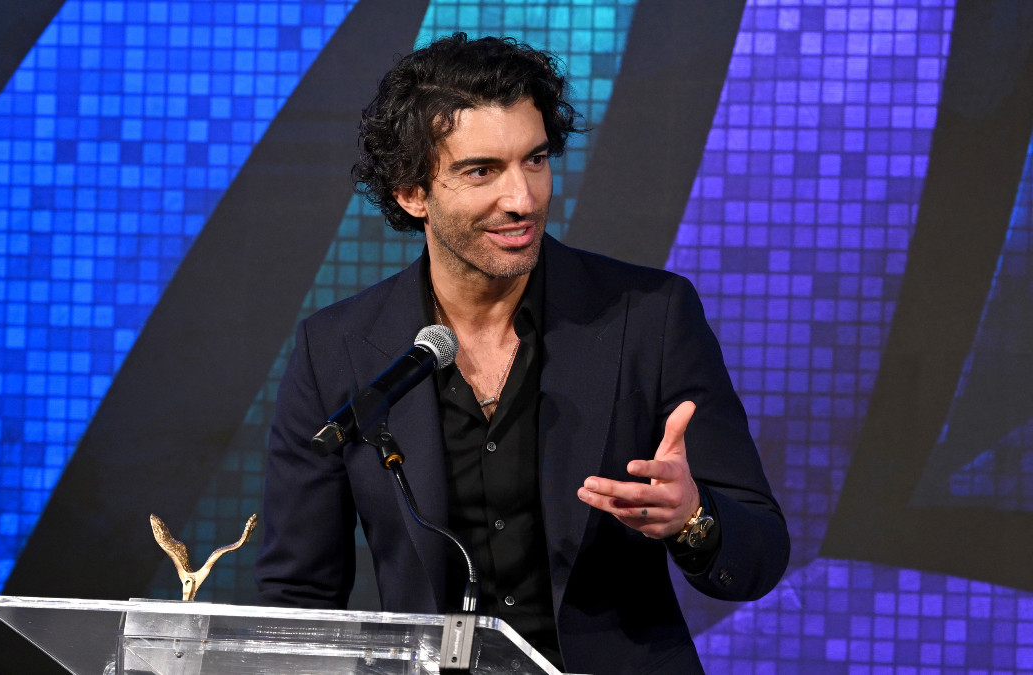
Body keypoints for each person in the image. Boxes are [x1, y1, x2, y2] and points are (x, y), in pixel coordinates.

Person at [256, 33, 789, 673]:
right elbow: (299, 597)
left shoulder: (650, 315)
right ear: (411, 192)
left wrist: (692, 518)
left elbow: (757, 555)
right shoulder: (336, 349)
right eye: (482, 170)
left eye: (535, 160)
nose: (524, 199)